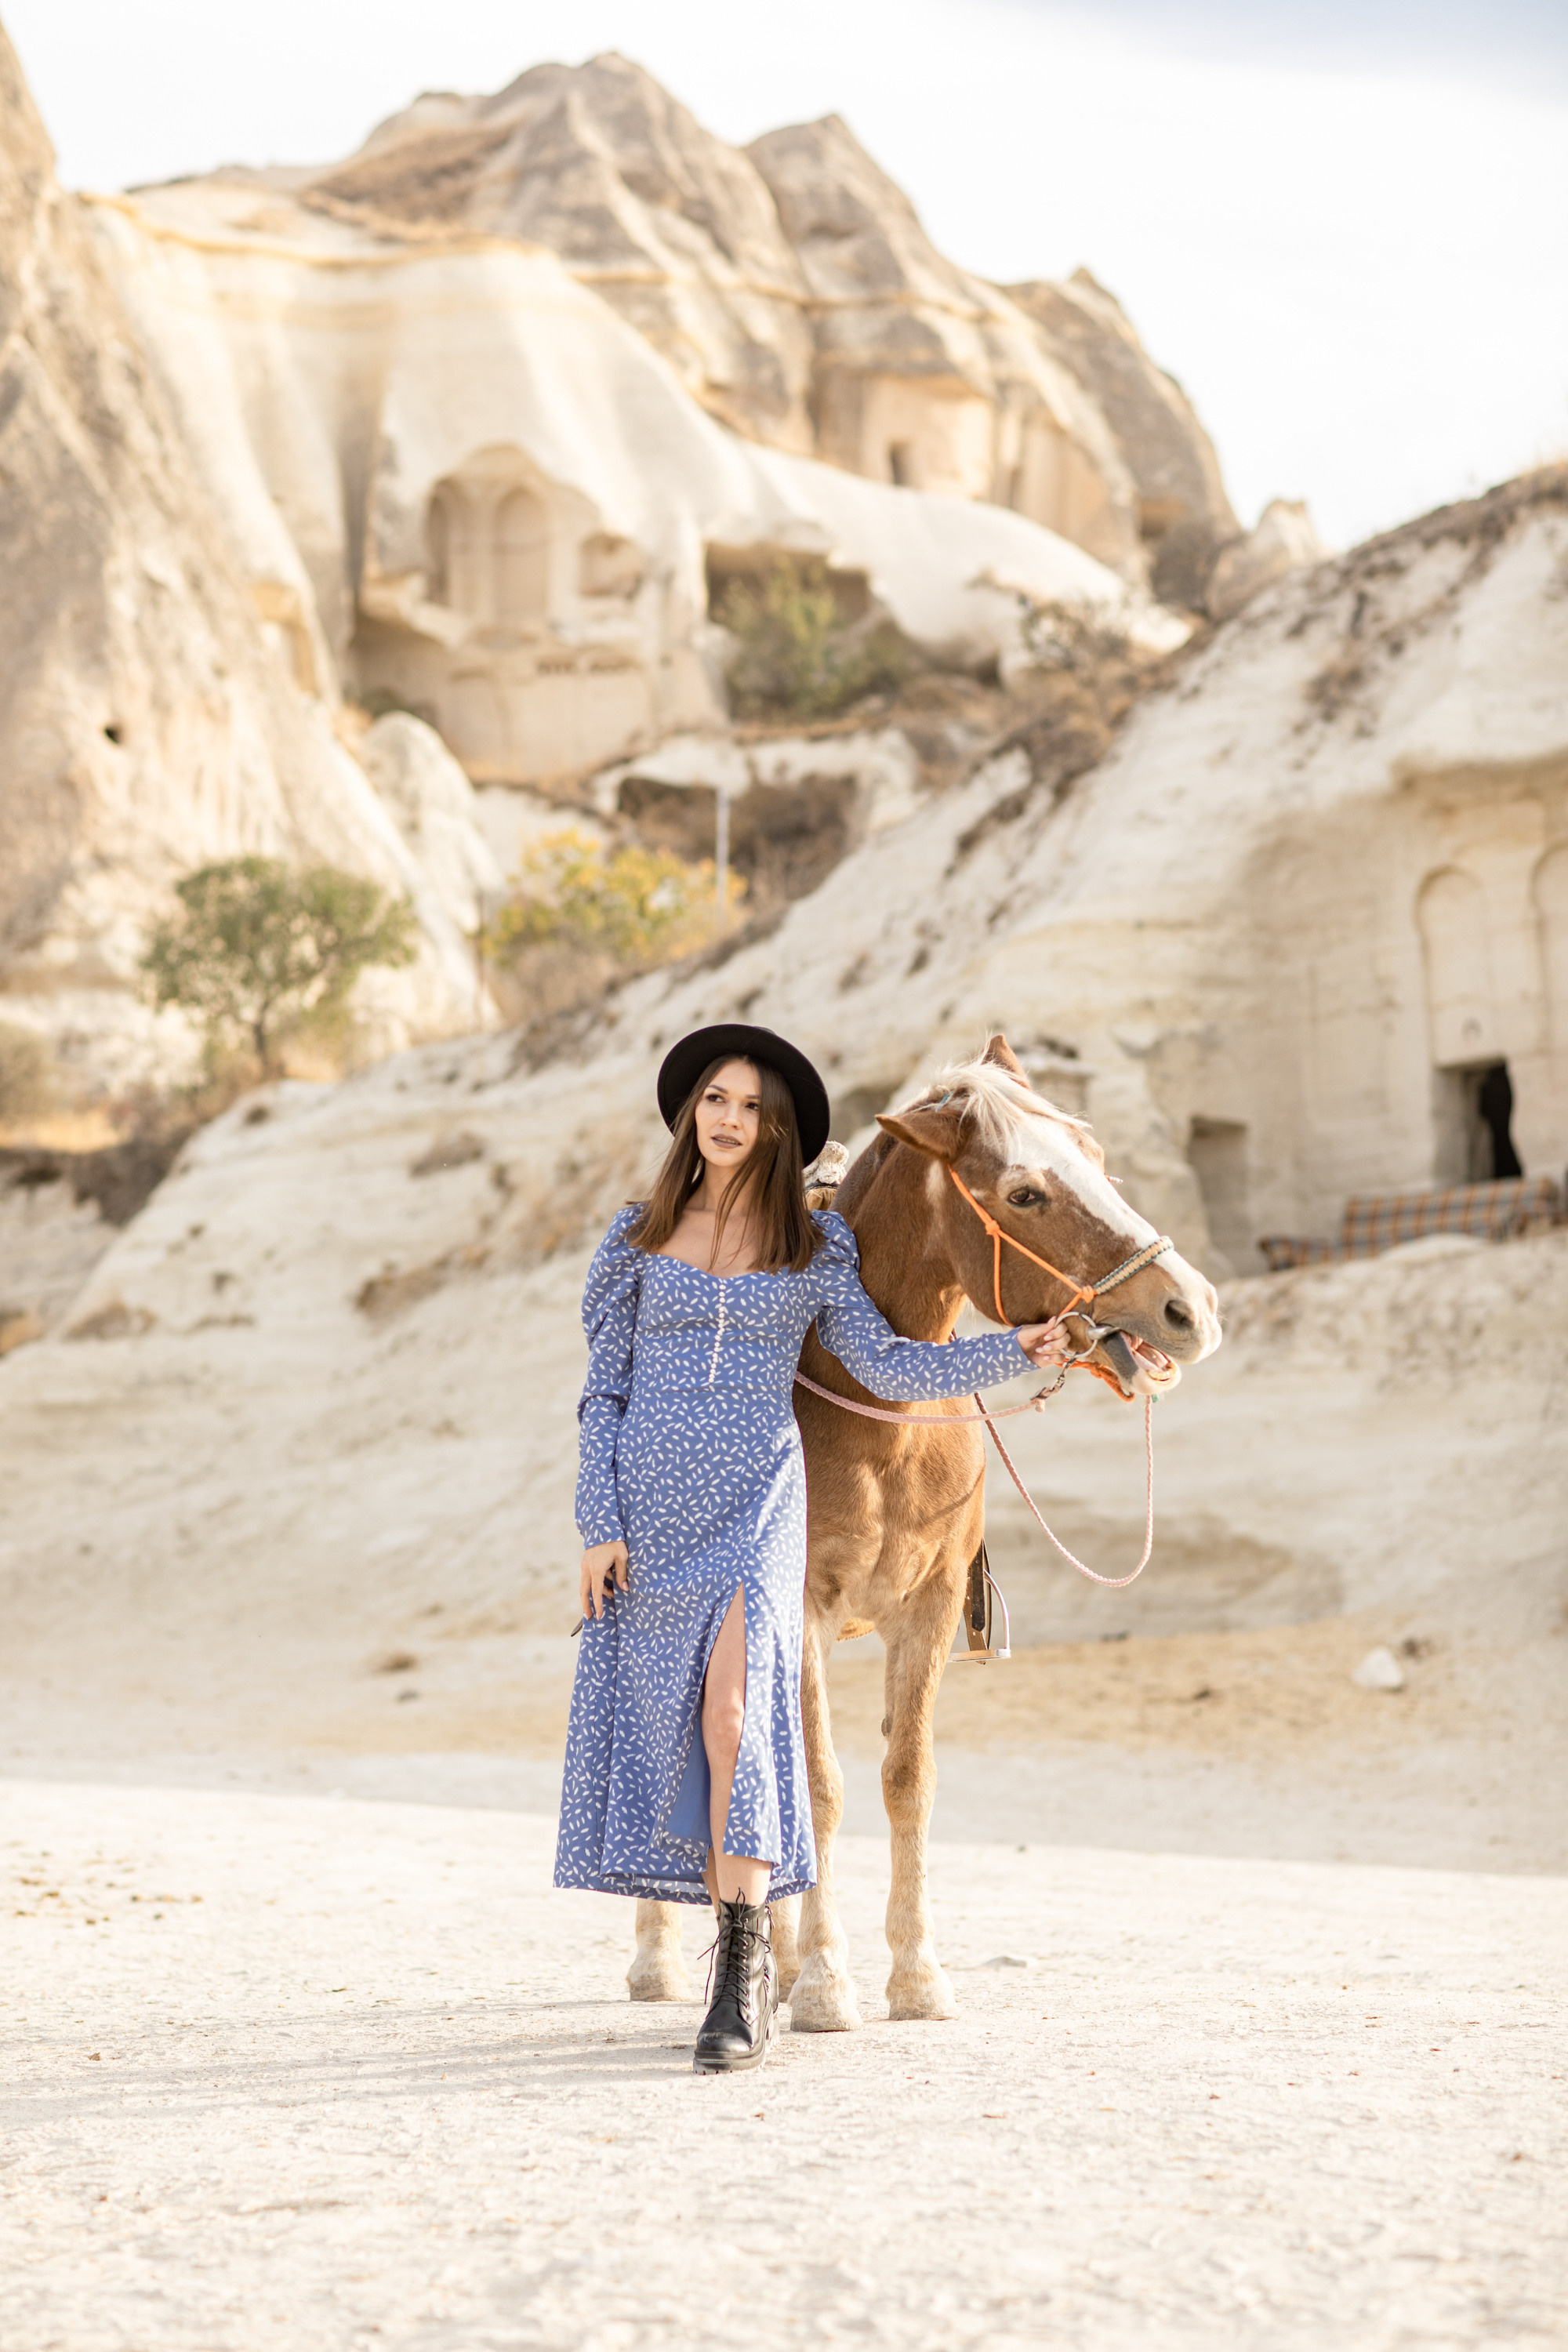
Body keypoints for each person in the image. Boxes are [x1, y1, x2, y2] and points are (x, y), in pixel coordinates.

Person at [553, 1024, 1069, 2074]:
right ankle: (710, 1933)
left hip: (758, 1501)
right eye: (716, 1100)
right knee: (677, 1728)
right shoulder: (634, 1239)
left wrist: (1015, 1350)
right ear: (691, 1114)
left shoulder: (815, 1246)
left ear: (779, 1130)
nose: (731, 1119)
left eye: (753, 1106)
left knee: (738, 1719)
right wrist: (598, 1521)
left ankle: (743, 1968)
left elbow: (889, 1364)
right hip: (651, 1505)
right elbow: (603, 1392)